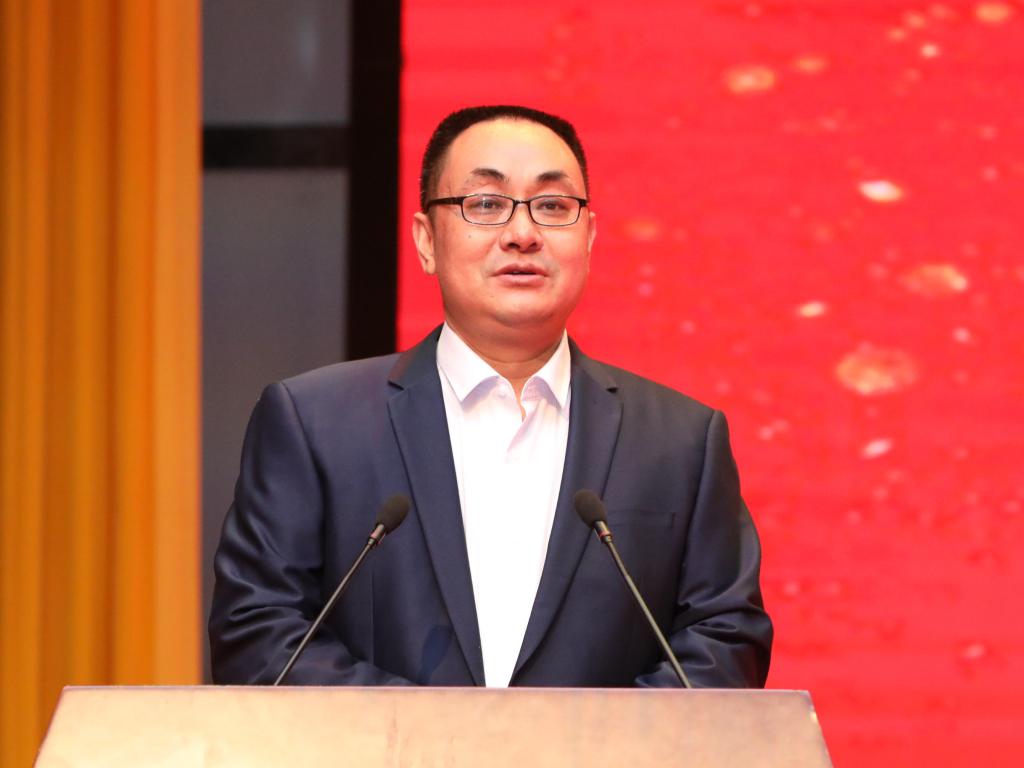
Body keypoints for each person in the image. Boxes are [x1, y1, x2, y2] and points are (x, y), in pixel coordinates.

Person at [209, 105, 772, 688]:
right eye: (484, 204)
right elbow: (260, 636)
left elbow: (724, 640)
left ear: (589, 237)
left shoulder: (680, 441)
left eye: (552, 206)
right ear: (426, 241)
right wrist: (440, 735)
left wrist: (586, 738)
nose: (522, 234)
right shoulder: (315, 423)